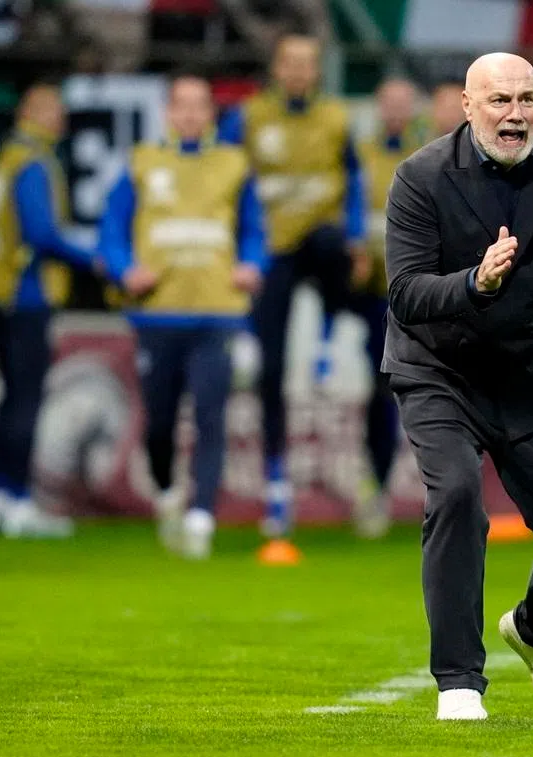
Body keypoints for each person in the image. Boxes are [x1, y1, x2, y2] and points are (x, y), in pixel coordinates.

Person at [383, 52, 533, 721]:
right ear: (467, 106)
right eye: (499, 101)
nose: (515, 115)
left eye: (527, 99)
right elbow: (405, 293)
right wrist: (473, 284)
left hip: (528, 371)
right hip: (439, 369)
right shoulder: (420, 177)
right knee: (457, 496)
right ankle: (459, 682)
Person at [100, 71, 267, 560]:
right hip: (158, 312)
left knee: (212, 416)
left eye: (200, 105)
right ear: (169, 112)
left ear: (210, 114)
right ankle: (169, 492)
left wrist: (252, 265)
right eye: (183, 105)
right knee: (158, 424)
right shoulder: (142, 162)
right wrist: (122, 267)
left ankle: (201, 517)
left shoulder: (234, 165)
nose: (191, 114)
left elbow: (255, 230)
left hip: (217, 311)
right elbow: (112, 228)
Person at [217, 33, 368, 541]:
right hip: (272, 249)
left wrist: (356, 237)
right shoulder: (249, 117)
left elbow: (353, 179)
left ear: (317, 70)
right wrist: (238, 245)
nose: (301, 72)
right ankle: (277, 484)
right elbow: (223, 180)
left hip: (320, 243)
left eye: (309, 63)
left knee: (333, 247)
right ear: (278, 69)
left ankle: (328, 343)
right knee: (271, 368)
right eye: (292, 63)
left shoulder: (335, 119)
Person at [0, 82, 97, 539]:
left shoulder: (6, 156)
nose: (59, 118)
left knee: (11, 397)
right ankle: (19, 502)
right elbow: (42, 234)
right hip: (26, 294)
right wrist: (95, 258)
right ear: (31, 111)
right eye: (51, 109)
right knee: (26, 398)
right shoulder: (33, 161)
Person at [346, 76, 431, 537]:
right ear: (378, 108)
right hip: (381, 298)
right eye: (389, 104)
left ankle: (449, 494)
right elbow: (352, 212)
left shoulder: (428, 156)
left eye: (404, 104)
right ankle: (375, 488)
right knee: (384, 390)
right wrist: (358, 246)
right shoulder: (361, 155)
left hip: (427, 297)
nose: (396, 112)